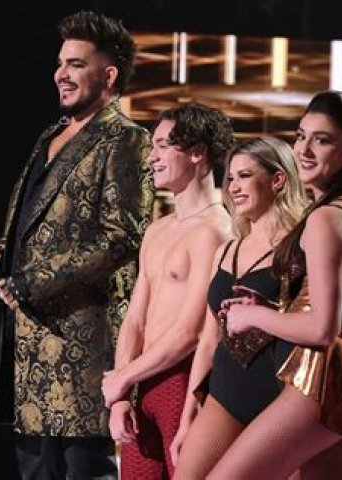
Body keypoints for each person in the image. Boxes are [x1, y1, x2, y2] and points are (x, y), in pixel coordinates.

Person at [0, 10, 154, 479]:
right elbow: (22, 226)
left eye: (75, 64)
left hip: (83, 351)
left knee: (84, 469)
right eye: (60, 63)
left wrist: (30, 283)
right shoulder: (49, 136)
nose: (61, 74)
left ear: (108, 76)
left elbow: (123, 237)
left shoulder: (127, 140)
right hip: (30, 352)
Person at [211, 89, 342, 479]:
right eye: (301, 136)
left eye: (322, 140)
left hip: (321, 377)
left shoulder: (326, 219)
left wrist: (253, 317)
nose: (304, 149)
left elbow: (322, 328)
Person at [99, 102, 234, 479]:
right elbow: (135, 319)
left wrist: (124, 378)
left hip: (183, 381)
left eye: (162, 146)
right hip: (143, 382)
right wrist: (121, 393)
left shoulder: (215, 231)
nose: (152, 157)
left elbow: (192, 332)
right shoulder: (157, 230)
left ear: (197, 152)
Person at [170, 137, 309, 479]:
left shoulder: (303, 247)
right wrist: (189, 414)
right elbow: (208, 340)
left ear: (278, 179)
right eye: (230, 178)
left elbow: (317, 326)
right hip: (224, 395)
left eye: (244, 176)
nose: (233, 187)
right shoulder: (226, 250)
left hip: (280, 399)